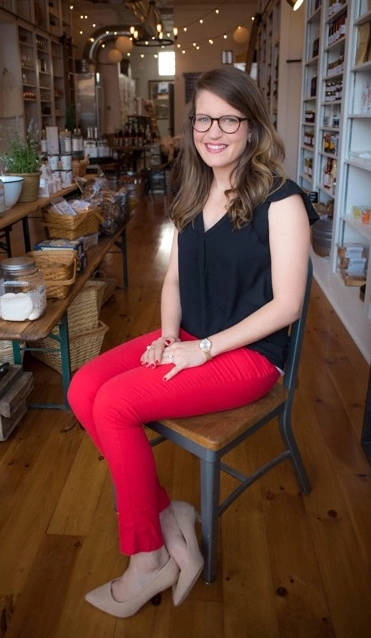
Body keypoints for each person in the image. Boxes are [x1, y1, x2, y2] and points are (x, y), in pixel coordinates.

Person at [67, 66, 318, 618]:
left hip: (249, 357)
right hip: (191, 339)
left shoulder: (282, 201)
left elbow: (288, 306)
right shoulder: (195, 188)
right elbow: (177, 280)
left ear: (252, 127)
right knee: (83, 386)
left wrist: (203, 349)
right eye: (204, 117)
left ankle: (148, 559)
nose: (214, 130)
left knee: (115, 404)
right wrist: (166, 335)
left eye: (229, 119)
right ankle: (168, 515)